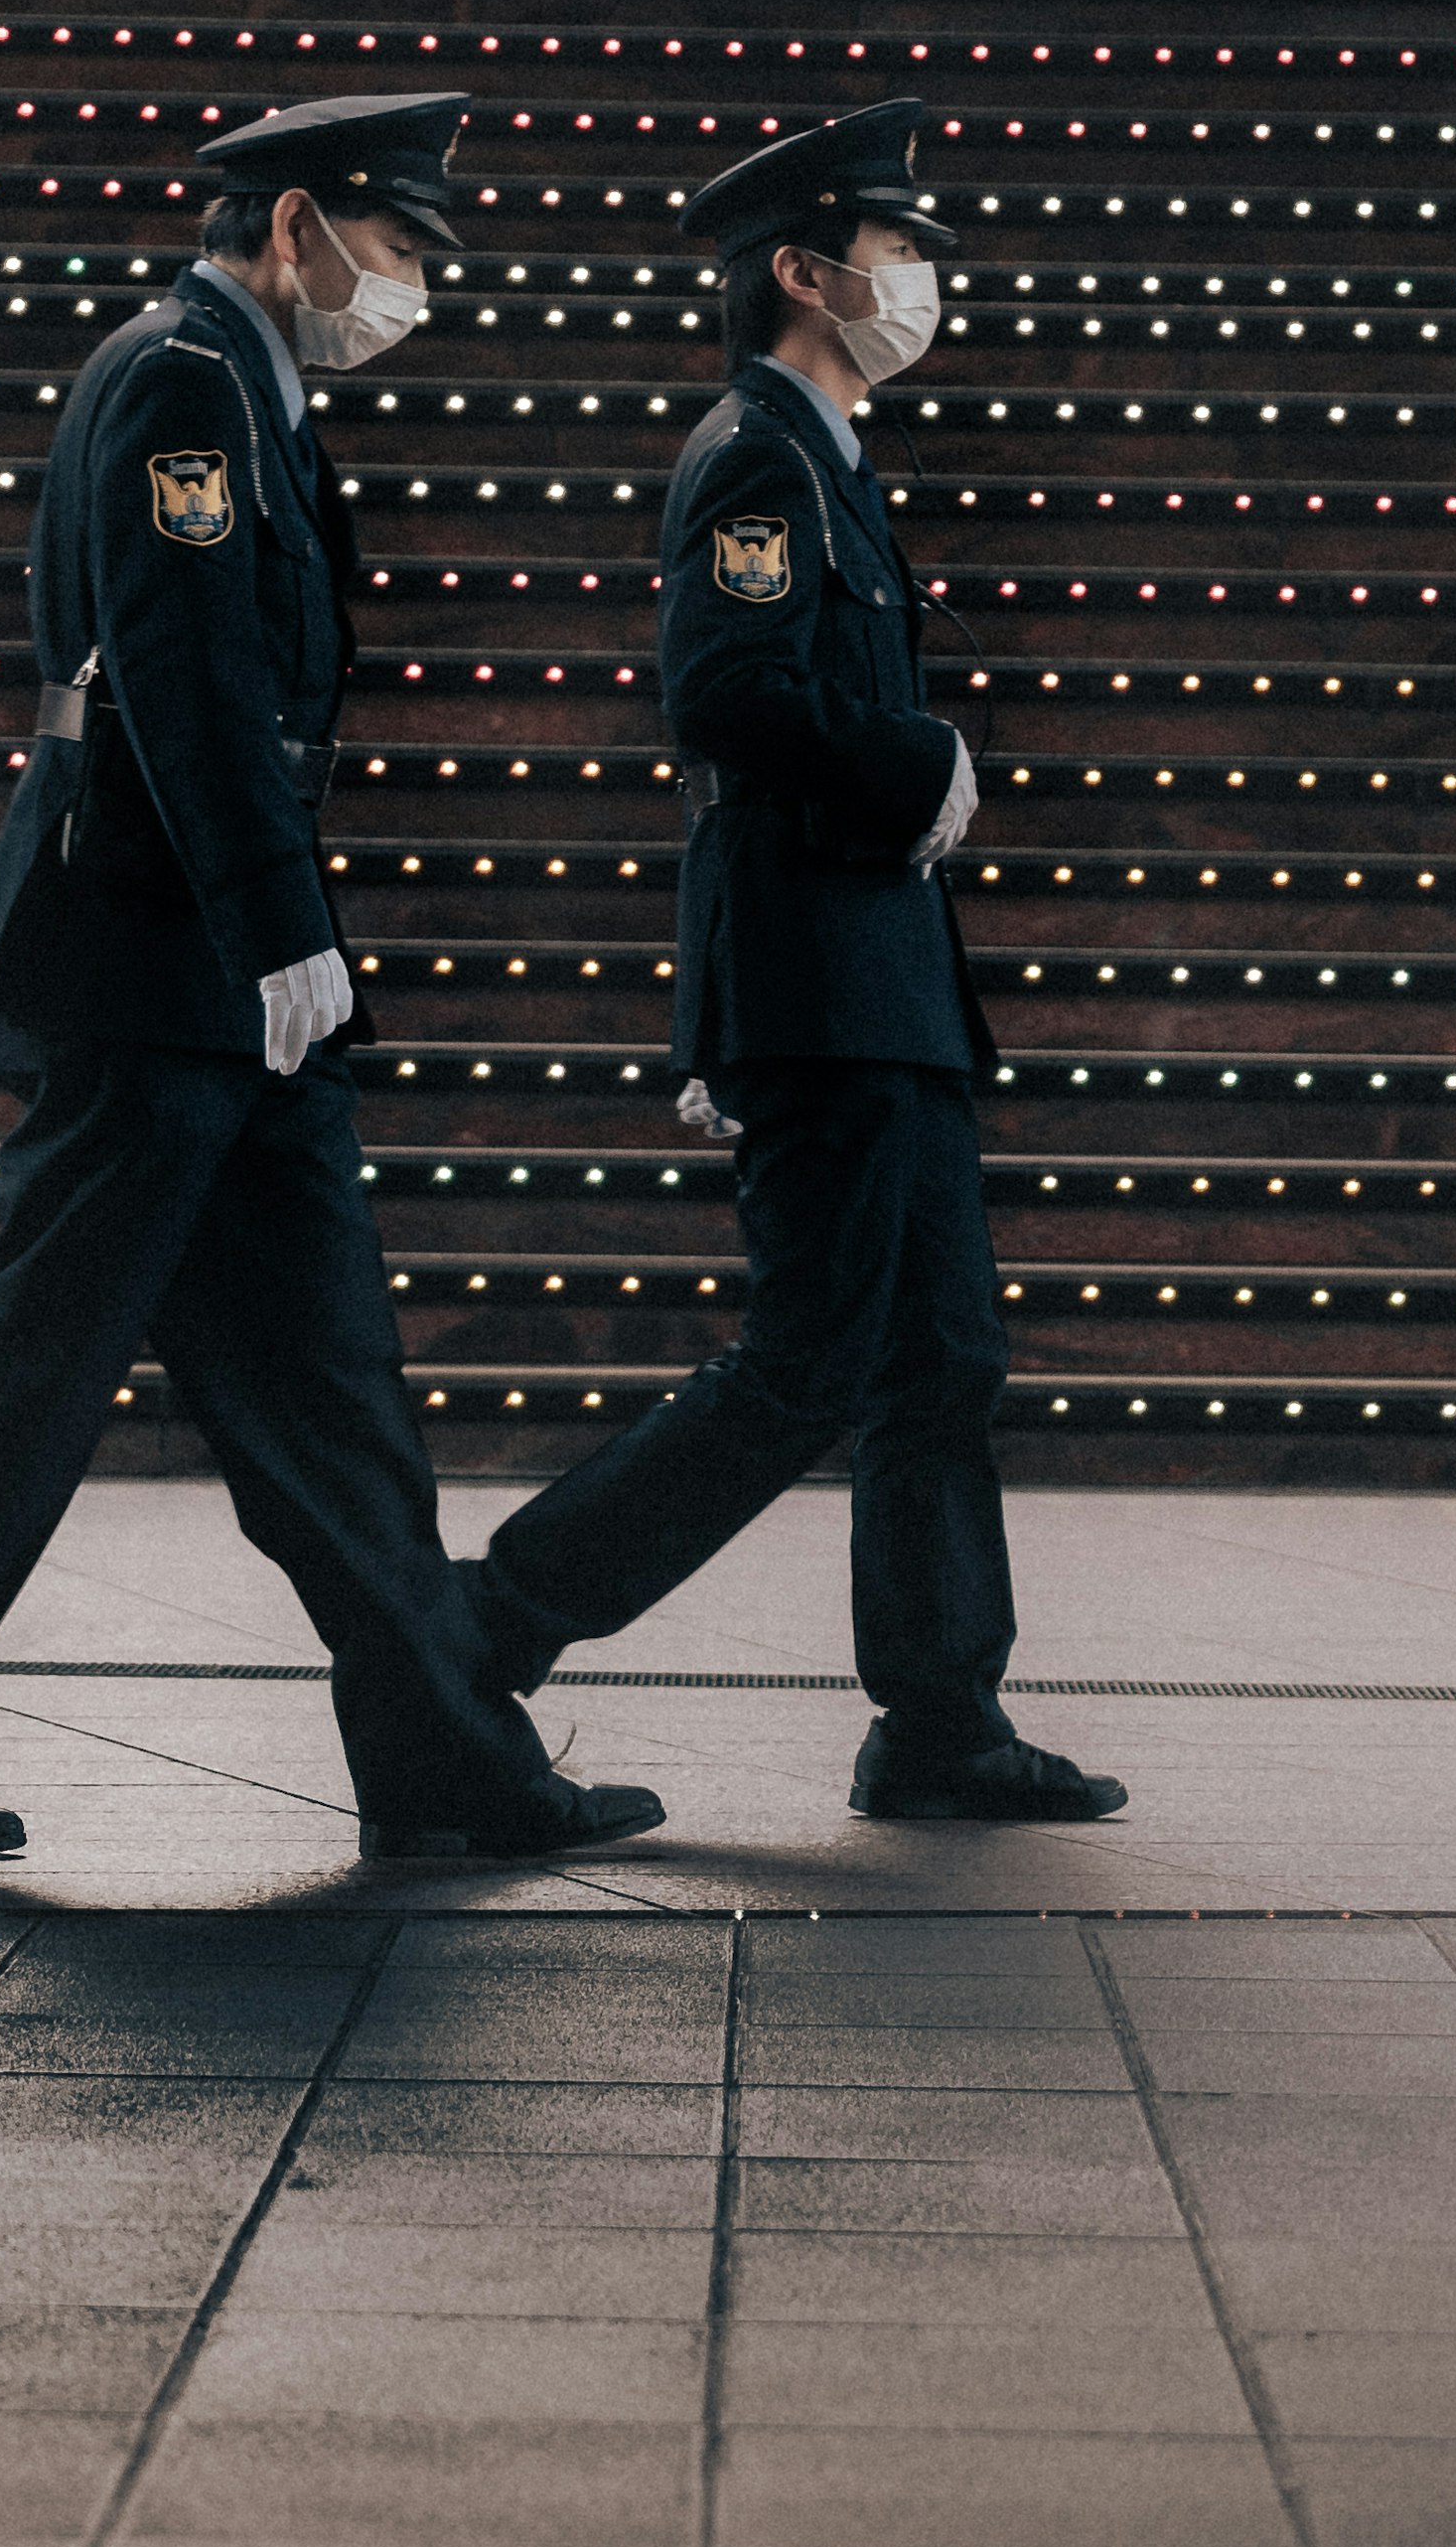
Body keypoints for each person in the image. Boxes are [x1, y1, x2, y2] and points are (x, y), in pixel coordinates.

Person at [0, 92, 658, 1867]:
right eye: (390, 247)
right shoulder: (187, 378)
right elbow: (187, 676)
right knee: (32, 1368)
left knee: (323, 1376)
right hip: (163, 958)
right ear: (297, 224)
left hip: (203, 961)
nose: (405, 286)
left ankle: (449, 1757)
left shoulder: (236, 383)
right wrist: (278, 926)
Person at [459, 105, 1126, 1830]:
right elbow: (727, 693)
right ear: (803, 271)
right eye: (896, 252)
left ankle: (940, 1717)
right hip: (822, 987)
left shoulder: (826, 451)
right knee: (812, 1361)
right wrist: (918, 761)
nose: (917, 280)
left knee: (940, 1358)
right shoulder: (757, 449)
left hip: (875, 986)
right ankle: (490, 1627)